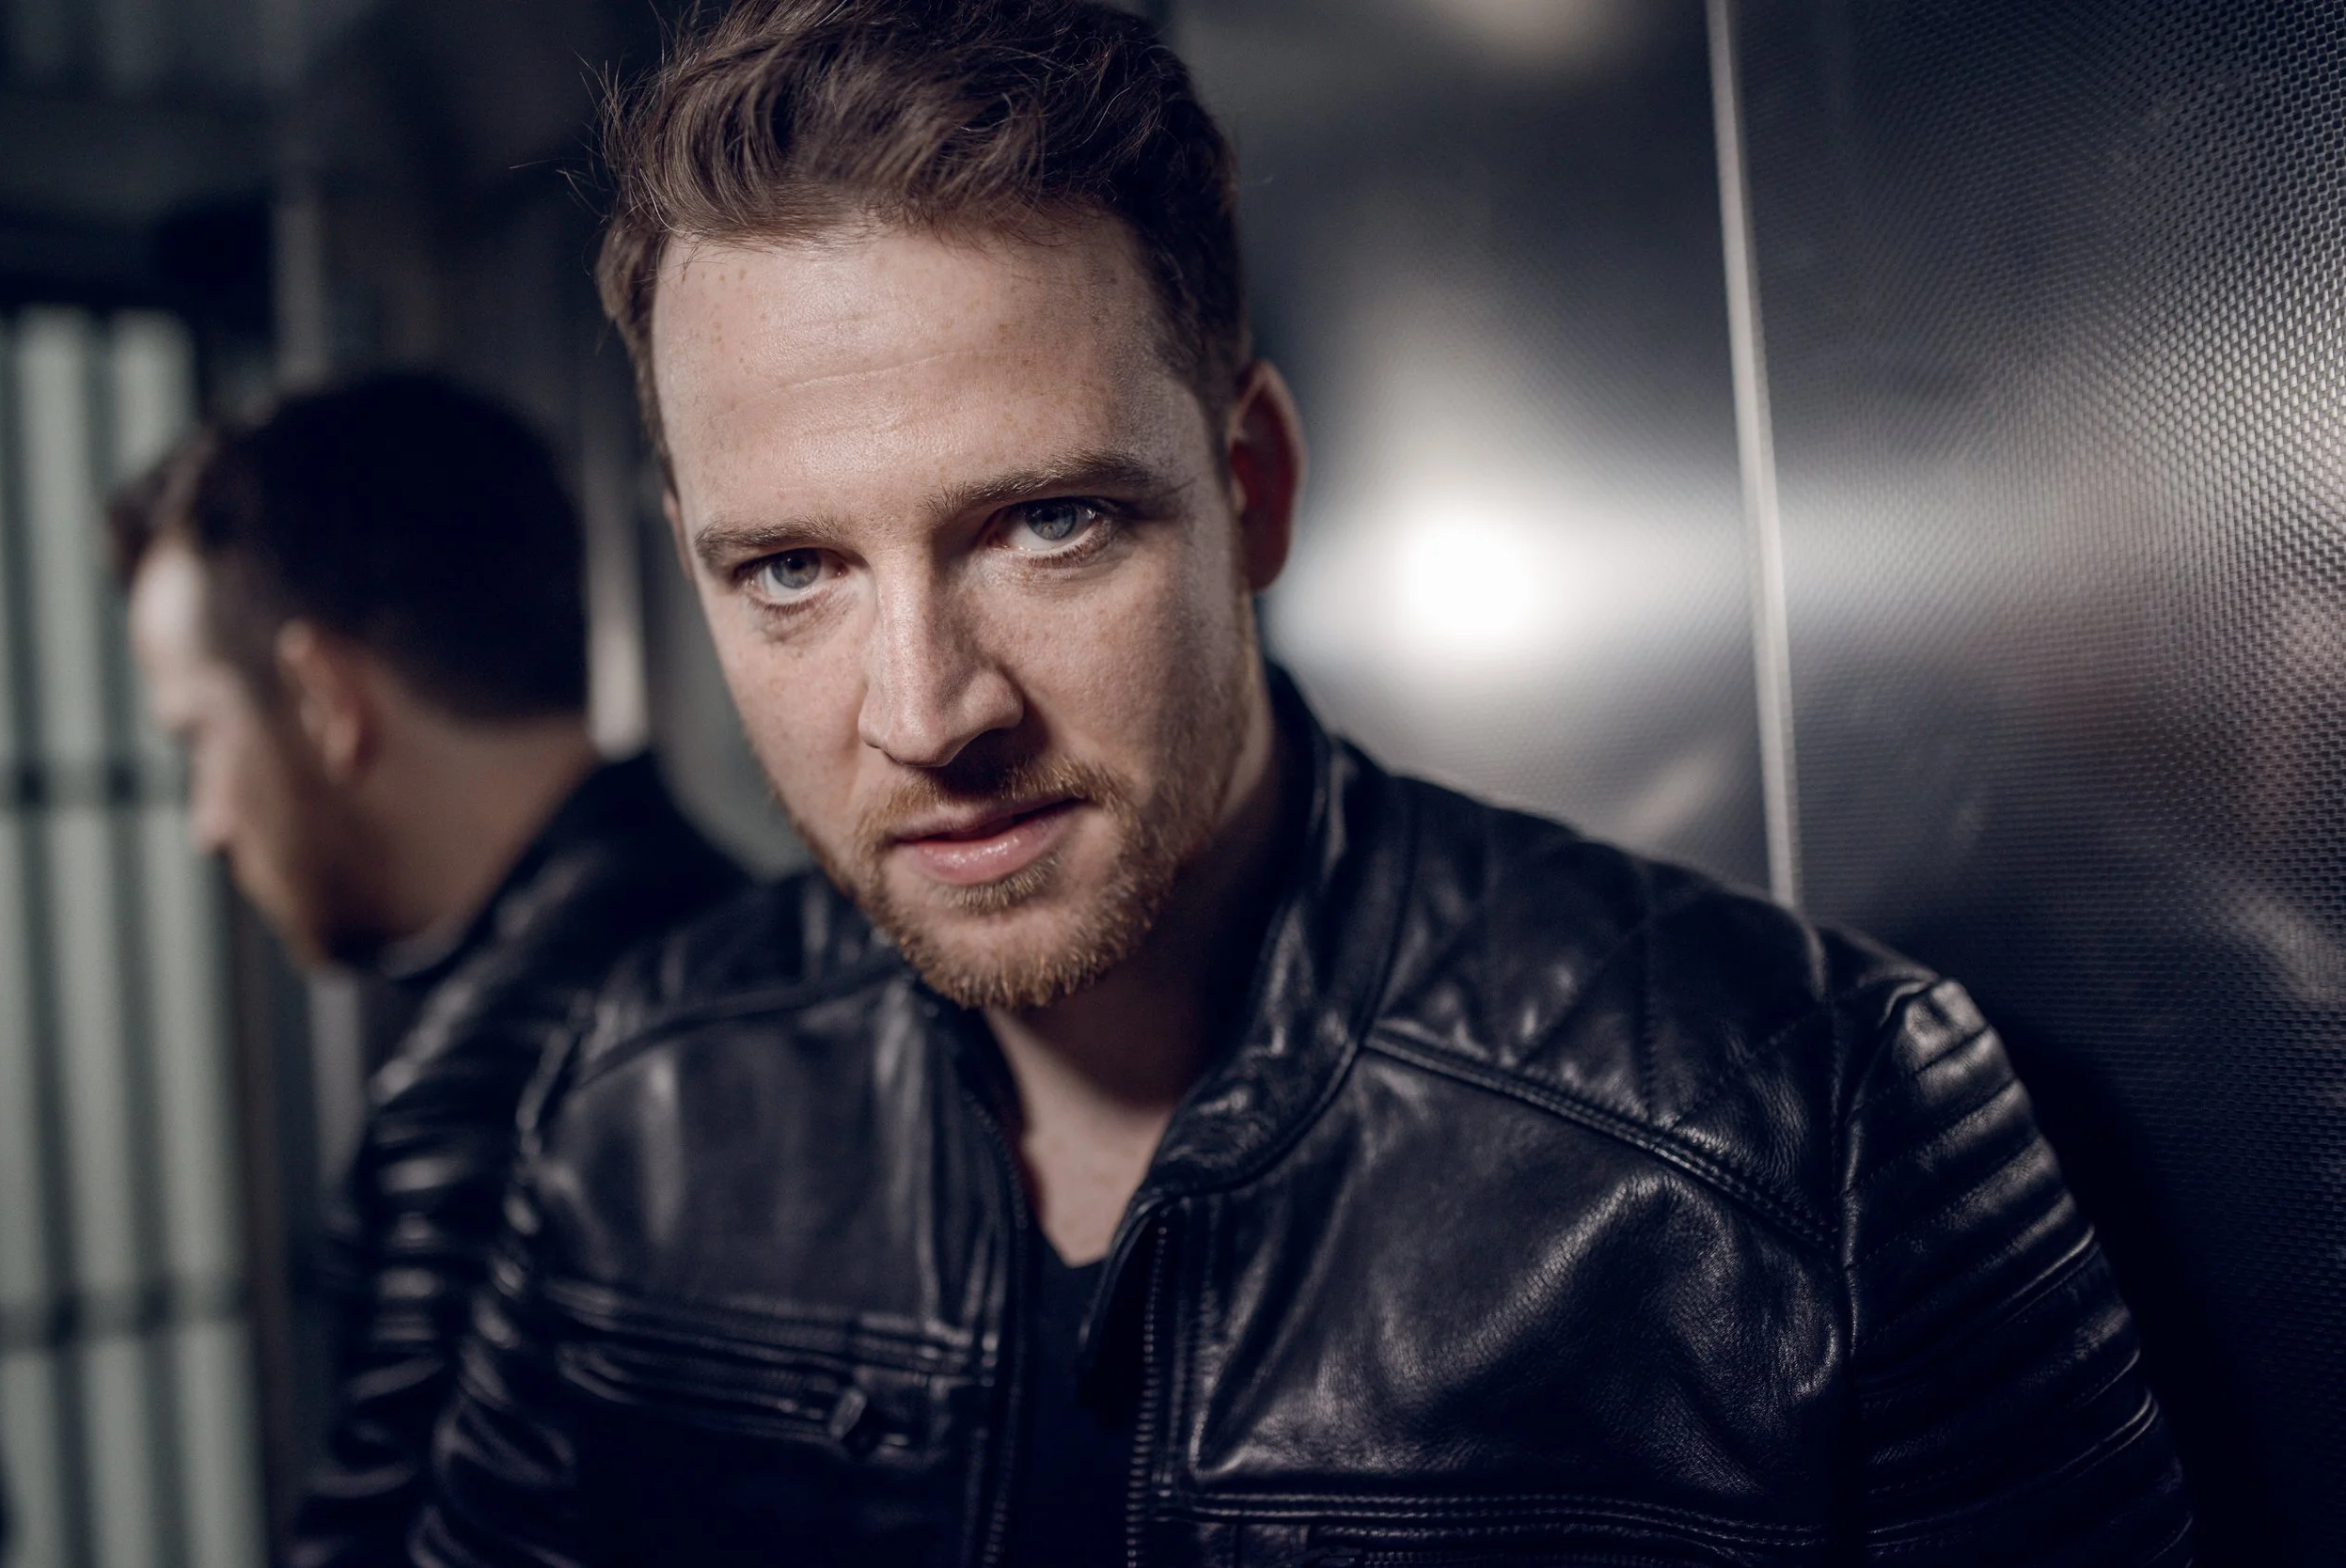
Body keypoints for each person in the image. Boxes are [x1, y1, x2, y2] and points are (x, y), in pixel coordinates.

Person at [414, 3, 2192, 1562]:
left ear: (1250, 485)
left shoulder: (1816, 1124)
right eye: (790, 568)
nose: (926, 711)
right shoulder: (630, 1112)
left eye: (1049, 523)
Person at [111, 374, 745, 1567]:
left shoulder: (487, 1090)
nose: (204, 820)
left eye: (200, 737)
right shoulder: (756, 931)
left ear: (323, 698)